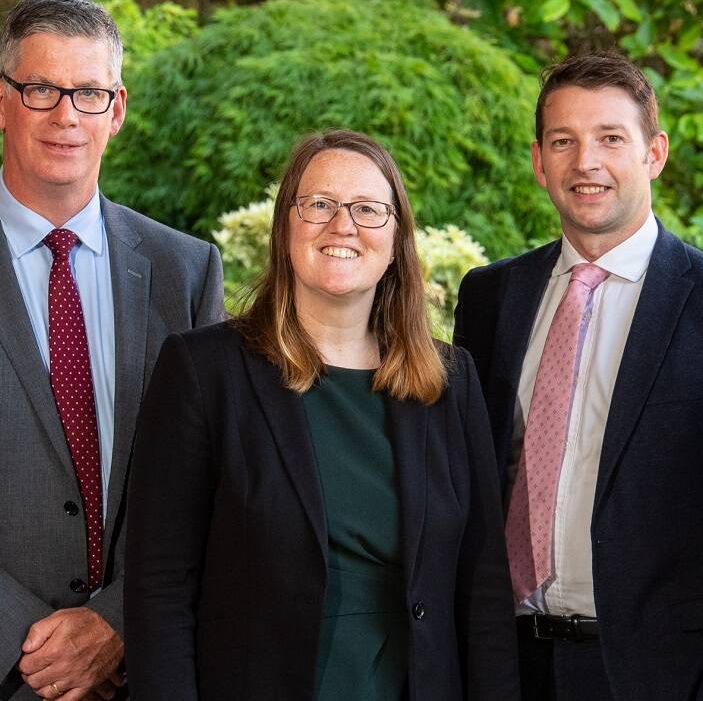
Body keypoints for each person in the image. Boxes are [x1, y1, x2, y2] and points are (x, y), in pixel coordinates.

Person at [0, 0, 225, 701]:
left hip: (143, 670)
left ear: (116, 110)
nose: (66, 115)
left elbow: (208, 474)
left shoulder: (183, 270)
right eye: (40, 90)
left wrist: (116, 622)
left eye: (88, 92)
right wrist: (22, 642)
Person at [452, 51, 703, 701]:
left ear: (655, 153)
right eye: (564, 141)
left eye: (610, 138)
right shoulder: (490, 298)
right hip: (501, 665)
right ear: (539, 161)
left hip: (660, 679)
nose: (585, 162)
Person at [124, 130, 519, 701]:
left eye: (367, 209)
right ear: (287, 226)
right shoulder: (203, 372)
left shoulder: (450, 383)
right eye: (319, 205)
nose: (343, 226)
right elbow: (160, 588)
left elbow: (482, 589)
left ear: (396, 238)